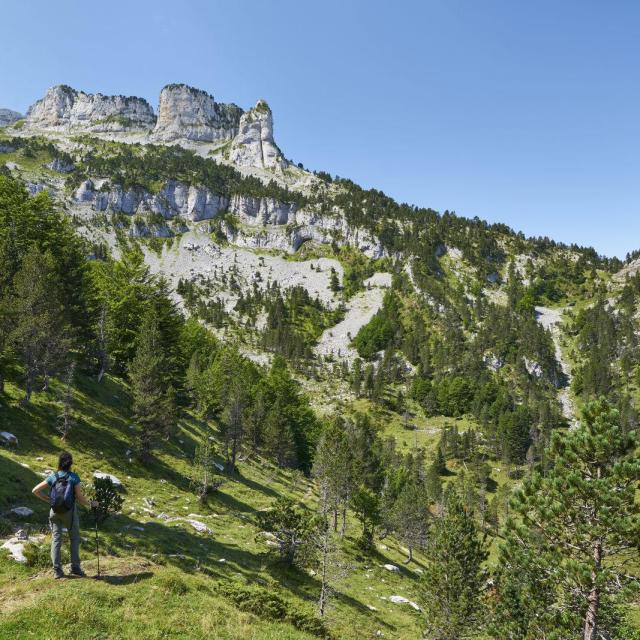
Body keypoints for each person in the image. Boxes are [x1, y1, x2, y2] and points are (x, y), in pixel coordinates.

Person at [31, 451, 96, 579]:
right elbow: (80, 498)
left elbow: (35, 490)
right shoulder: (74, 477)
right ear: (70, 463)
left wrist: (49, 500)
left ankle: (57, 571)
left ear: (59, 463)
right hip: (69, 513)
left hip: (54, 512)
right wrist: (91, 503)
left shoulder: (53, 476)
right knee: (74, 538)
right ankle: (75, 568)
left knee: (56, 539)